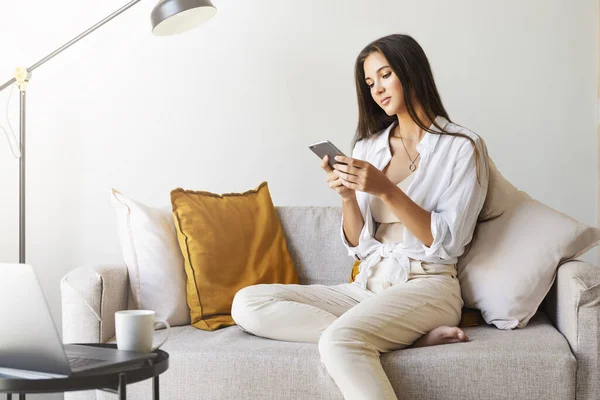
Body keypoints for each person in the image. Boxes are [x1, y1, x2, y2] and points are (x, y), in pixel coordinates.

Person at [231, 33, 490, 400]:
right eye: (370, 83)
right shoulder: (369, 147)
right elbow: (358, 247)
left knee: (339, 342)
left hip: (427, 285)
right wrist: (348, 197)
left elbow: (446, 241)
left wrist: (386, 189)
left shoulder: (462, 147)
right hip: (367, 288)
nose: (377, 90)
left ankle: (374, 333)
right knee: (248, 303)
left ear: (411, 71)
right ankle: (400, 338)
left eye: (385, 75)